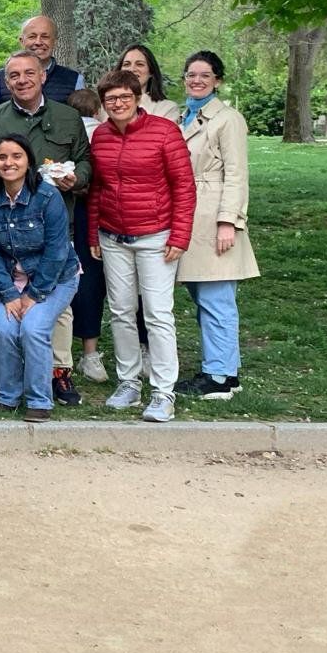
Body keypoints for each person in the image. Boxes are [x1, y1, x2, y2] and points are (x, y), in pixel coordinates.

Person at [0, 51, 93, 407]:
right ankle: (8, 392)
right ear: (5, 82)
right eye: (13, 76)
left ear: (42, 77)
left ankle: (51, 384)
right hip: (8, 243)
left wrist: (77, 178)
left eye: (28, 73)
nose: (21, 80)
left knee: (43, 324)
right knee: (6, 329)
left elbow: (84, 160)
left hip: (53, 237)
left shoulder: (68, 117)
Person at [88, 71, 196, 424]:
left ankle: (164, 392)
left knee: (157, 314)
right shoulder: (101, 137)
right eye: (110, 99)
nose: (117, 104)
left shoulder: (164, 132)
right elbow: (96, 190)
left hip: (155, 236)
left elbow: (184, 186)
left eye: (124, 97)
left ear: (137, 97)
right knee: (120, 312)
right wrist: (93, 234)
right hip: (112, 235)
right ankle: (129, 382)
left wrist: (180, 235)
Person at [175, 51, 260, 401]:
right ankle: (224, 368)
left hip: (213, 218)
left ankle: (220, 377)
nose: (196, 80)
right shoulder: (185, 116)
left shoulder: (228, 119)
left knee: (217, 298)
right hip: (191, 216)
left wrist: (229, 221)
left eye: (204, 75)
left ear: (218, 80)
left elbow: (237, 175)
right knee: (204, 297)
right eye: (191, 74)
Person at [0, 134, 80, 422]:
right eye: (2, 157)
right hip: (12, 281)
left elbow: (57, 251)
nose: (9, 162)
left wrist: (33, 295)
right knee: (3, 330)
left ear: (28, 161)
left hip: (56, 279)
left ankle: (39, 400)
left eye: (16, 156)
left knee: (33, 329)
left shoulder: (48, 197)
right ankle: (8, 396)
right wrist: (10, 294)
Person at [66, 87, 109, 382]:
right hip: (95, 214)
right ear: (97, 110)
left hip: (65, 211)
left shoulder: (67, 134)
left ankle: (59, 352)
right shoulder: (104, 134)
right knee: (92, 280)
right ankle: (90, 353)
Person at [0, 14, 85, 105]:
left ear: (55, 42)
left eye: (45, 37)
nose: (38, 42)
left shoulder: (74, 81)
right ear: (22, 41)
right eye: (32, 37)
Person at [117, 44, 180, 121]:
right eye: (126, 64)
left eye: (139, 64)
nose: (132, 69)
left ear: (151, 72)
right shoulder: (106, 108)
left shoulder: (167, 108)